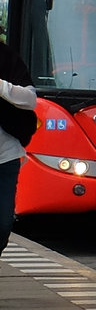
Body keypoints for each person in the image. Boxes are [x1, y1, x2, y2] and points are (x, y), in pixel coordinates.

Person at [0, 33, 36, 253]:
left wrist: (2, 88)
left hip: (5, 158)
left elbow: (31, 99)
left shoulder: (6, 57)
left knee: (3, 223)